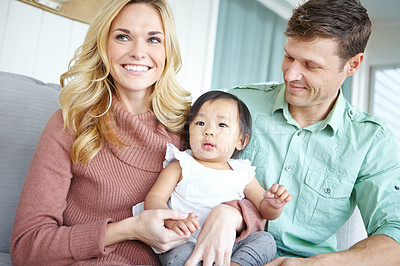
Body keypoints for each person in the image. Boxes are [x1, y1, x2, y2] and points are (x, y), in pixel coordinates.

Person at [10, 1, 265, 265]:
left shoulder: (191, 125)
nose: (138, 52)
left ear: (168, 50)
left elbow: (252, 204)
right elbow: (27, 246)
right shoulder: (71, 124)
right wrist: (129, 229)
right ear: (103, 45)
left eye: (154, 39)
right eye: (123, 37)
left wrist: (230, 215)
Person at [229, 0, 400, 265]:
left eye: (310, 65)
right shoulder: (236, 105)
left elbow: (394, 233)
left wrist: (319, 264)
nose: (290, 75)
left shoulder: (371, 141)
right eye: (289, 56)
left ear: (353, 65)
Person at [144, 91, 292, 265]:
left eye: (222, 125)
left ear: (241, 141)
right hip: (188, 242)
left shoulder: (242, 172)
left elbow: (263, 210)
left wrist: (273, 205)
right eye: (200, 123)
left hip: (230, 246)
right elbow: (154, 199)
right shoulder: (181, 165)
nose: (209, 131)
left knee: (265, 241)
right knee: (176, 254)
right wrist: (172, 221)